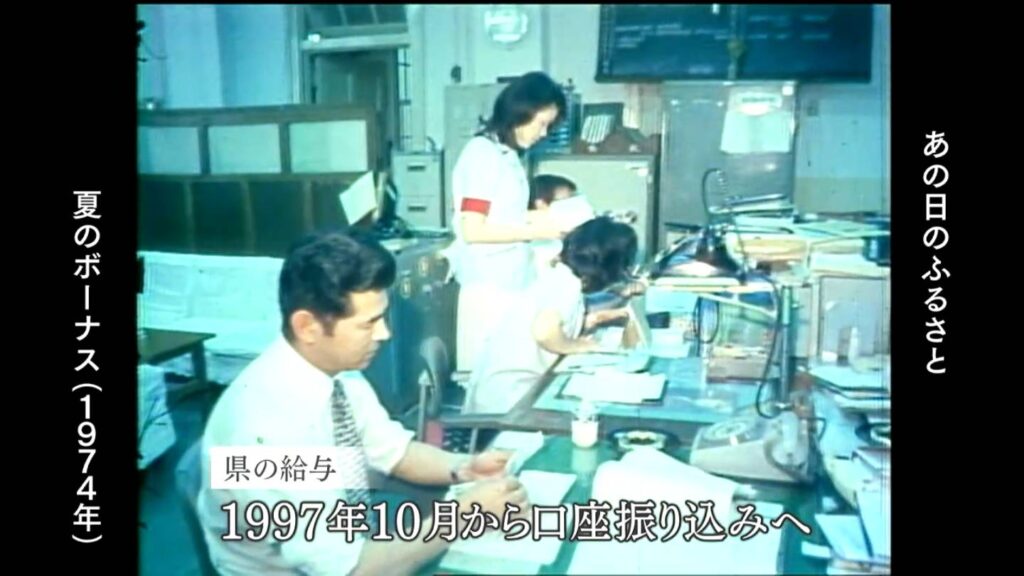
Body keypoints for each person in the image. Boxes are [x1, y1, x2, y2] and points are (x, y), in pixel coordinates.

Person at [197, 229, 528, 576]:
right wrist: (460, 518)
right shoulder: (266, 431)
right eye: (368, 323)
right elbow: (351, 571)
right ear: (307, 326)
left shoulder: (338, 375)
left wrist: (465, 467)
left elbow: (395, 453)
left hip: (351, 541)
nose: (384, 333)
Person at [448, 71, 572, 372]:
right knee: (492, 377)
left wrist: (551, 218)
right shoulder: (482, 156)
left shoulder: (507, 155)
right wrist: (535, 231)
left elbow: (504, 213)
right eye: (541, 123)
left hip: (511, 280)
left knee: (513, 371)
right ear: (520, 111)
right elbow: (473, 229)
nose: (544, 133)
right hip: (489, 286)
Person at [463, 217, 639, 414]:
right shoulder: (567, 285)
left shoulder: (559, 276)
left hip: (505, 396)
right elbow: (544, 332)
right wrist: (577, 346)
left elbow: (557, 321)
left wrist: (596, 320)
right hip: (508, 406)